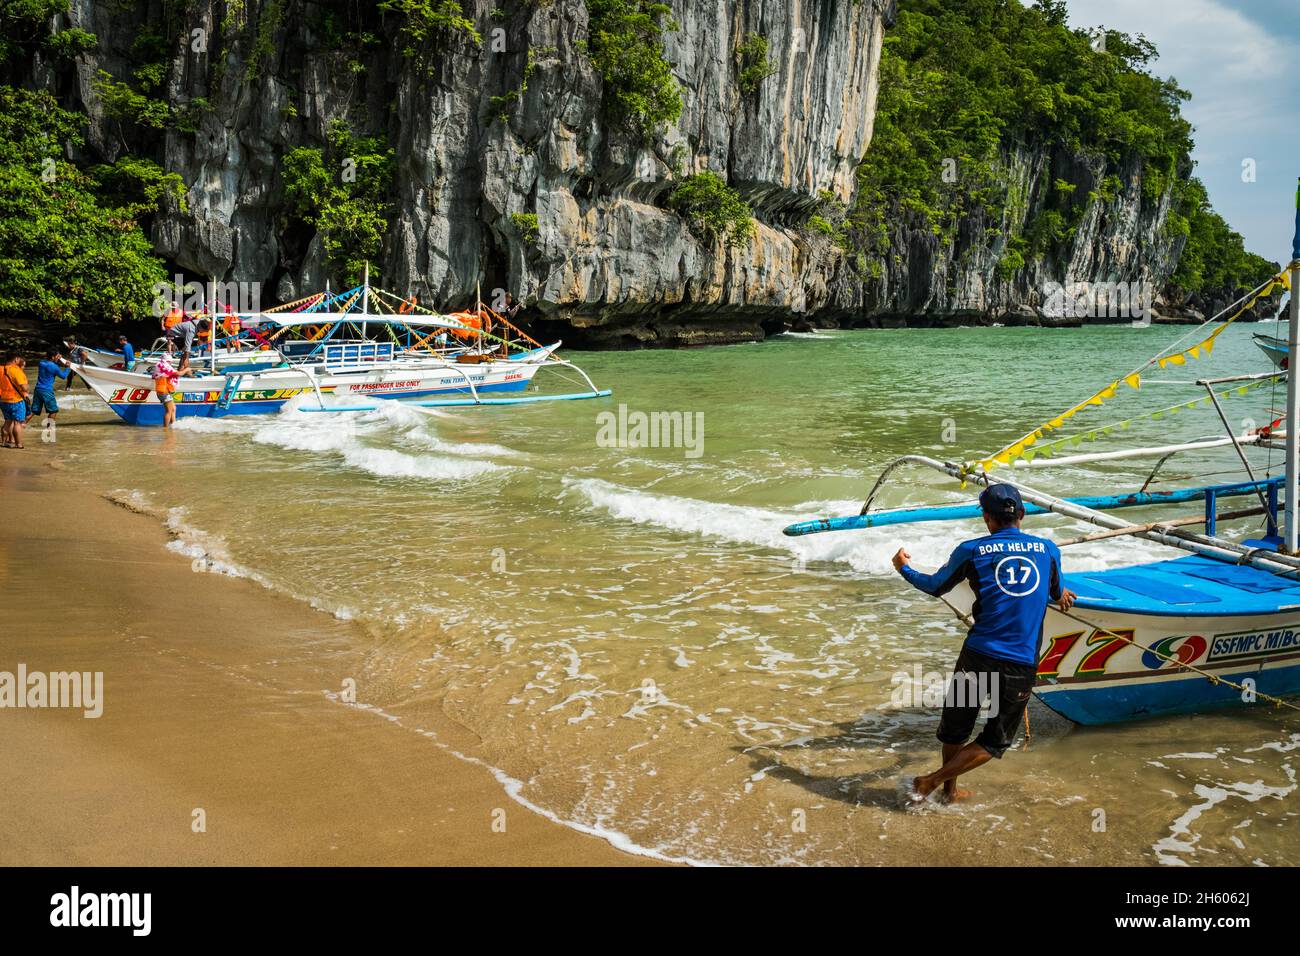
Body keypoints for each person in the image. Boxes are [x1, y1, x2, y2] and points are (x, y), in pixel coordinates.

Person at [891, 483, 1076, 803]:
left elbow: (936, 586)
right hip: (1019, 661)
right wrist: (1061, 596)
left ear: (987, 518)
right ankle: (935, 784)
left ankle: (944, 788)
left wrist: (904, 568)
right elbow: (1056, 591)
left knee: (956, 728)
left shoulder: (971, 550)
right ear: (1022, 514)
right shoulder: (1047, 549)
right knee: (994, 742)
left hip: (977, 654)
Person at [31, 349, 71, 429]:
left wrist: (57, 359)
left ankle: (21, 425)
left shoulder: (41, 363)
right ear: (53, 357)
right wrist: (67, 367)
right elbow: (63, 376)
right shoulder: (54, 367)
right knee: (53, 410)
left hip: (38, 389)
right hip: (47, 391)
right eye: (57, 356)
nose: (58, 357)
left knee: (34, 411)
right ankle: (49, 429)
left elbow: (50, 364)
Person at [0, 354, 29, 448]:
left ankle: (3, 442)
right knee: (17, 423)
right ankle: (18, 444)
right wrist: (28, 387)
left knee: (7, 422)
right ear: (16, 359)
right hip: (16, 400)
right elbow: (24, 387)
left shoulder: (1, 369)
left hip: (3, 400)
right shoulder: (15, 370)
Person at [150, 354, 180, 429]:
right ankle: (165, 429)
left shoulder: (160, 367)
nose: (170, 364)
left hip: (164, 392)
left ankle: (173, 425)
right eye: (170, 362)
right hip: (164, 393)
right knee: (169, 411)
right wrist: (187, 369)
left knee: (173, 408)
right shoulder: (164, 369)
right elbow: (178, 373)